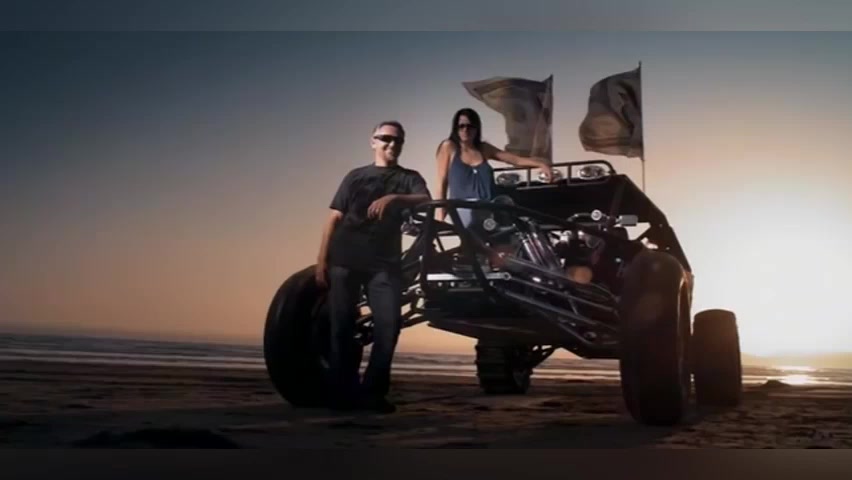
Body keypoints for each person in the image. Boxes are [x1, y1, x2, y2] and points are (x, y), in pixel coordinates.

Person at [315, 120, 431, 414]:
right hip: (345, 258)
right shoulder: (356, 176)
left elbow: (426, 199)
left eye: (398, 140)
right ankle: (342, 393)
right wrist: (321, 261)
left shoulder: (409, 178)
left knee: (389, 326)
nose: (392, 144)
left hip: (384, 264)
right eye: (385, 138)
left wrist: (393, 198)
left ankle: (373, 394)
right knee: (341, 328)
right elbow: (333, 218)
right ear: (373, 141)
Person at [434, 107, 553, 227]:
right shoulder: (449, 147)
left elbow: (514, 159)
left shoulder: (483, 148)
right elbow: (441, 183)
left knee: (519, 212)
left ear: (476, 128)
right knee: (479, 223)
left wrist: (541, 164)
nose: (465, 130)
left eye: (470, 126)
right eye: (461, 126)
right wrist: (440, 215)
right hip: (464, 208)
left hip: (488, 206)